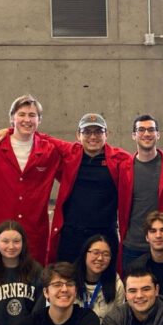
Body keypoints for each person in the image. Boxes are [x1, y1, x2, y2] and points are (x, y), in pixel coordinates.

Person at [0, 95, 62, 266]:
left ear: (39, 120)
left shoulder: (50, 152)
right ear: (12, 118)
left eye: (32, 115)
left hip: (33, 236)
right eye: (22, 114)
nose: (27, 119)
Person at [50, 113, 132, 264]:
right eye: (87, 132)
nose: (92, 137)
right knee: (68, 280)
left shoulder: (121, 160)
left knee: (106, 282)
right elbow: (40, 138)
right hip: (72, 235)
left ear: (107, 134)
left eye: (98, 132)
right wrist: (9, 131)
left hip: (105, 234)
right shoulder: (69, 155)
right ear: (78, 135)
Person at [118, 114, 163, 271]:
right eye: (141, 130)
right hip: (133, 246)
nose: (146, 134)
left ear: (158, 134)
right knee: (136, 294)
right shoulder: (123, 169)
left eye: (151, 129)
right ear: (133, 135)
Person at [74, 235, 126, 319]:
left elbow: (119, 319)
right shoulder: (69, 280)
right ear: (84, 254)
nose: (100, 258)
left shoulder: (117, 284)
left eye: (106, 254)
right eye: (95, 253)